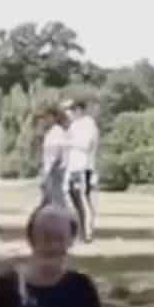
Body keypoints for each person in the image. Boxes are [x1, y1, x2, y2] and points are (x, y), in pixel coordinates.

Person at [64, 100, 100, 241]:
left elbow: (85, 144)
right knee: (75, 200)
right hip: (74, 168)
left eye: (70, 110)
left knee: (83, 199)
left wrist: (67, 142)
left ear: (78, 110)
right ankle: (80, 230)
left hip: (83, 167)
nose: (68, 114)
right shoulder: (74, 125)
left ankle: (86, 232)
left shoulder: (87, 124)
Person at [39, 109, 69, 208]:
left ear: (53, 118)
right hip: (51, 168)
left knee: (55, 196)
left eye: (47, 118)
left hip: (54, 168)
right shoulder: (51, 132)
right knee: (50, 196)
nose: (45, 120)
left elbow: (56, 153)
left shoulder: (57, 132)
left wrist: (48, 172)